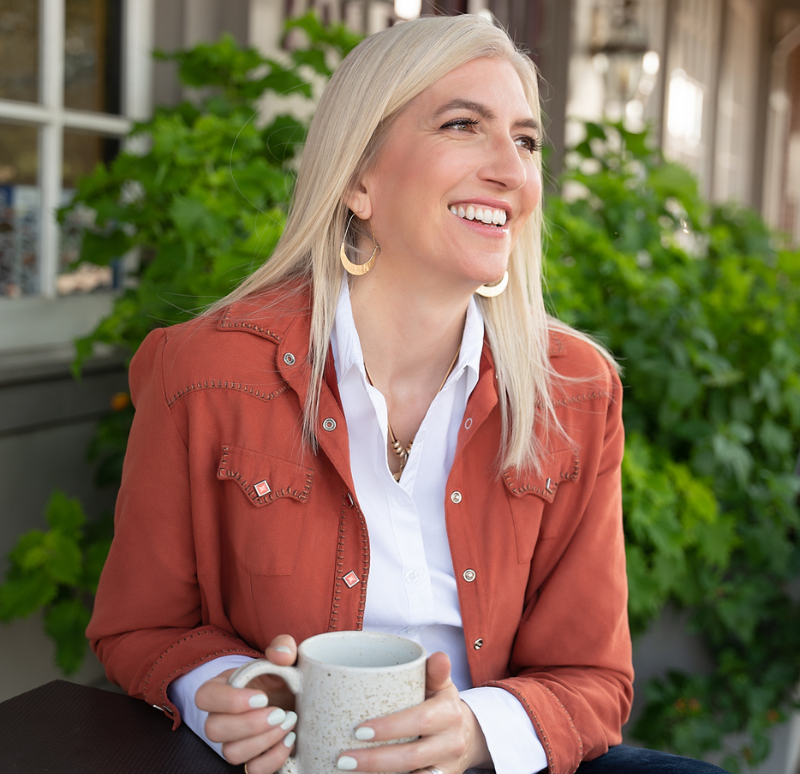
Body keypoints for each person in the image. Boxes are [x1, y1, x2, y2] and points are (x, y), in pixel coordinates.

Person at [87, 13, 729, 774]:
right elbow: (140, 627)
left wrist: (475, 733)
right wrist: (219, 691)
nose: (513, 172)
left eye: (525, 141)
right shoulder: (204, 371)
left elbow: (592, 680)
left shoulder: (574, 393)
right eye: (465, 125)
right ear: (359, 179)